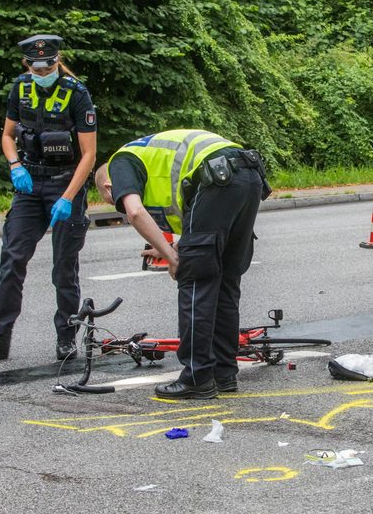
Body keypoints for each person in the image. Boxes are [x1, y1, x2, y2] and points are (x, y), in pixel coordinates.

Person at [94, 130, 270, 399]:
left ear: (109, 186)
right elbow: (202, 225)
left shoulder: (121, 162)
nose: (116, 202)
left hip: (217, 176)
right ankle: (224, 374)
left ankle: (196, 378)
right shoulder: (152, 157)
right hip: (247, 172)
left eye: (112, 199)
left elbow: (135, 212)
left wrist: (174, 258)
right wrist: (177, 247)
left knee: (195, 279)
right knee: (225, 282)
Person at [0, 34, 98, 361]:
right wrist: (15, 165)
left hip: (65, 183)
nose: (43, 72)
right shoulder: (20, 89)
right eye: (36, 67)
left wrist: (68, 196)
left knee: (63, 267)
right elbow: (8, 135)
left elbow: (89, 154)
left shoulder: (77, 94)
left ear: (58, 60)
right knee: (12, 259)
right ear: (28, 64)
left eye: (49, 65)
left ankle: (66, 337)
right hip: (29, 184)